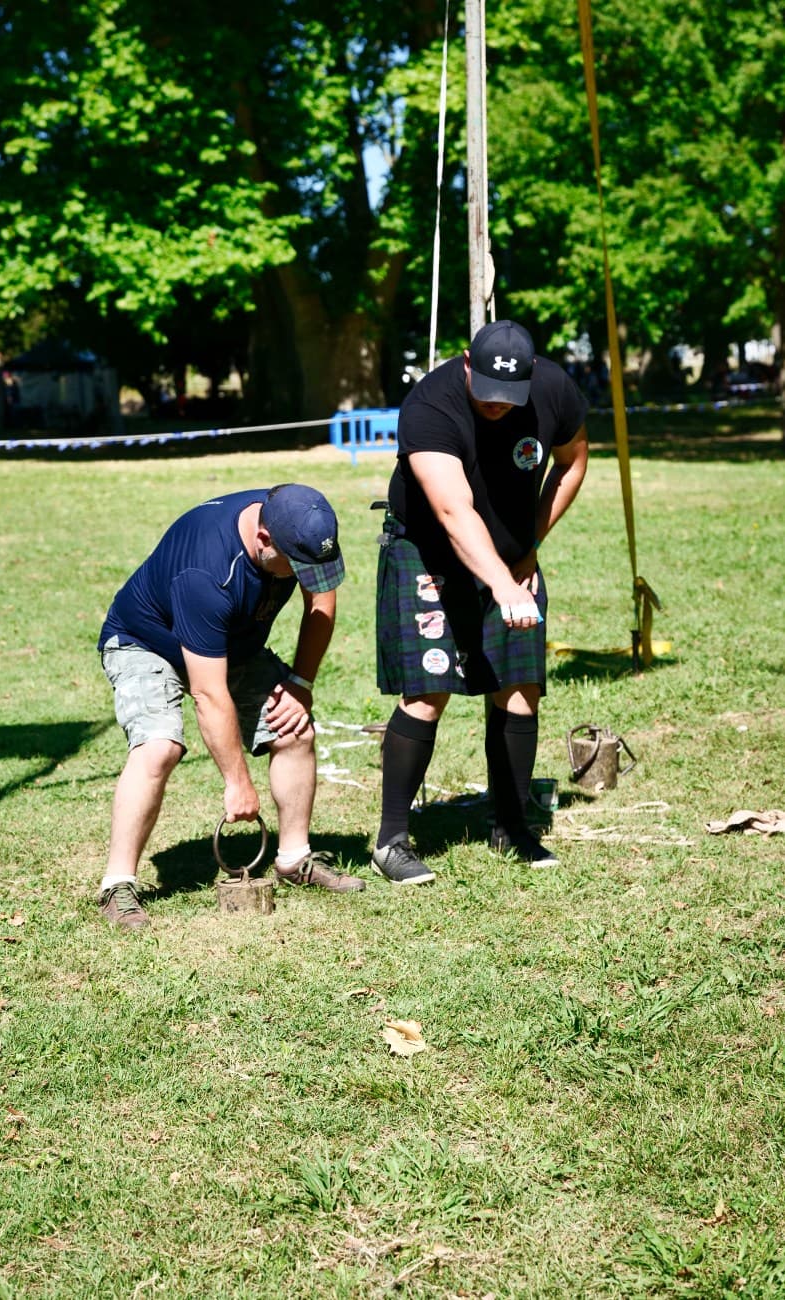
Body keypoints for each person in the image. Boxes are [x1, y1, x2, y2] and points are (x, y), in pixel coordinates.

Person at [371, 319, 589, 884]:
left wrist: (530, 546)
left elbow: (572, 462)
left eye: (508, 395)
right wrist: (503, 584)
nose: (497, 404)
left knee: (519, 688)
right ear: (468, 364)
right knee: (428, 692)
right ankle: (392, 841)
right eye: (488, 390)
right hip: (427, 552)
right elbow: (454, 512)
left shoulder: (554, 391)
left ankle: (512, 826)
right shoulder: (430, 406)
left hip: (509, 560)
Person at [97, 483, 365, 928]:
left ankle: (294, 858)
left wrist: (300, 683)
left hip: (230, 644)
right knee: (158, 747)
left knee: (294, 728)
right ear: (263, 539)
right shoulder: (206, 571)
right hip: (146, 643)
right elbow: (208, 693)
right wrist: (237, 783)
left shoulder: (298, 519)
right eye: (297, 567)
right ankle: (117, 884)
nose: (305, 576)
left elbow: (321, 599)